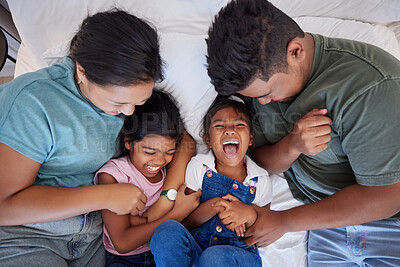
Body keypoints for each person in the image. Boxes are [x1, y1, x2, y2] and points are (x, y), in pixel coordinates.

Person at [206, 0, 400, 266]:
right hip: (325, 224)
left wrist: (285, 221)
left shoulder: (369, 88)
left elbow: (388, 196)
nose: (262, 103)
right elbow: (260, 160)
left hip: (388, 226)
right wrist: (292, 145)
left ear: (295, 51)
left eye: (267, 93)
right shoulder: (260, 79)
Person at [0, 10, 195, 266]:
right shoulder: (32, 103)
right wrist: (105, 196)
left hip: (94, 241)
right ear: (82, 71)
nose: (128, 113)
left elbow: (185, 142)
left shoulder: (128, 92)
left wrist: (166, 198)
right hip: (29, 237)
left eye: (140, 101)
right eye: (119, 102)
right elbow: (5, 206)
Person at [151, 95, 273, 267]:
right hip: (198, 250)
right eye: (219, 126)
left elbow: (264, 229)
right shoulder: (199, 167)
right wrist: (215, 205)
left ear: (251, 138)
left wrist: (248, 214)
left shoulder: (259, 180)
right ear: (208, 139)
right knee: (166, 230)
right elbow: (188, 221)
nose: (230, 130)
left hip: (239, 256)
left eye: (239, 125)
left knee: (215, 257)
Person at [94, 91, 201, 266]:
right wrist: (176, 215)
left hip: (162, 249)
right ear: (128, 142)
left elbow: (187, 142)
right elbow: (122, 242)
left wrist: (141, 221)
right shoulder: (114, 175)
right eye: (149, 152)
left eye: (169, 152)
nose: (159, 161)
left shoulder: (169, 171)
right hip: (126, 260)